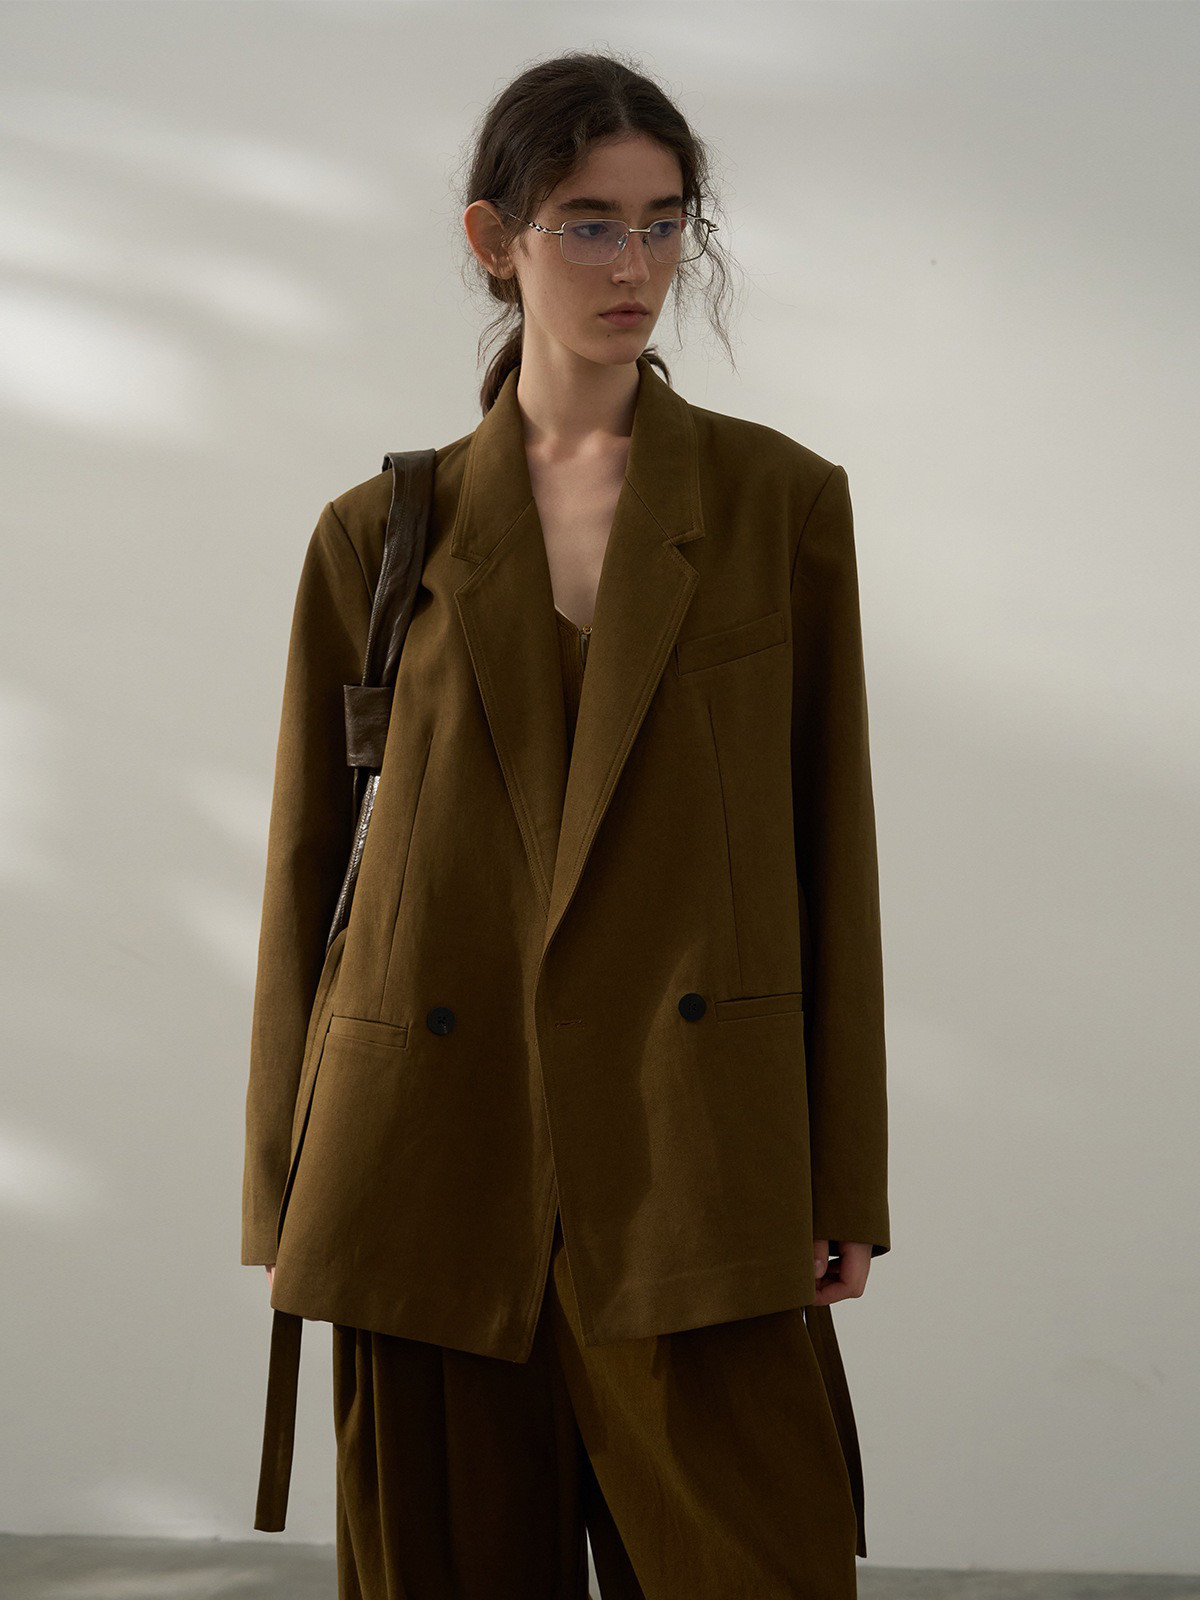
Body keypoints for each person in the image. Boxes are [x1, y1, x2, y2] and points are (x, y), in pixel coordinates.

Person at [242, 48, 889, 1600]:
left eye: (664, 224)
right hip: (426, 1156)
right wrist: (283, 1186)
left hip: (696, 1147)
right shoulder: (376, 536)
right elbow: (307, 871)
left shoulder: (779, 506)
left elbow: (833, 848)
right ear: (495, 238)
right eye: (589, 222)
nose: (634, 266)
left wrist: (845, 1175)